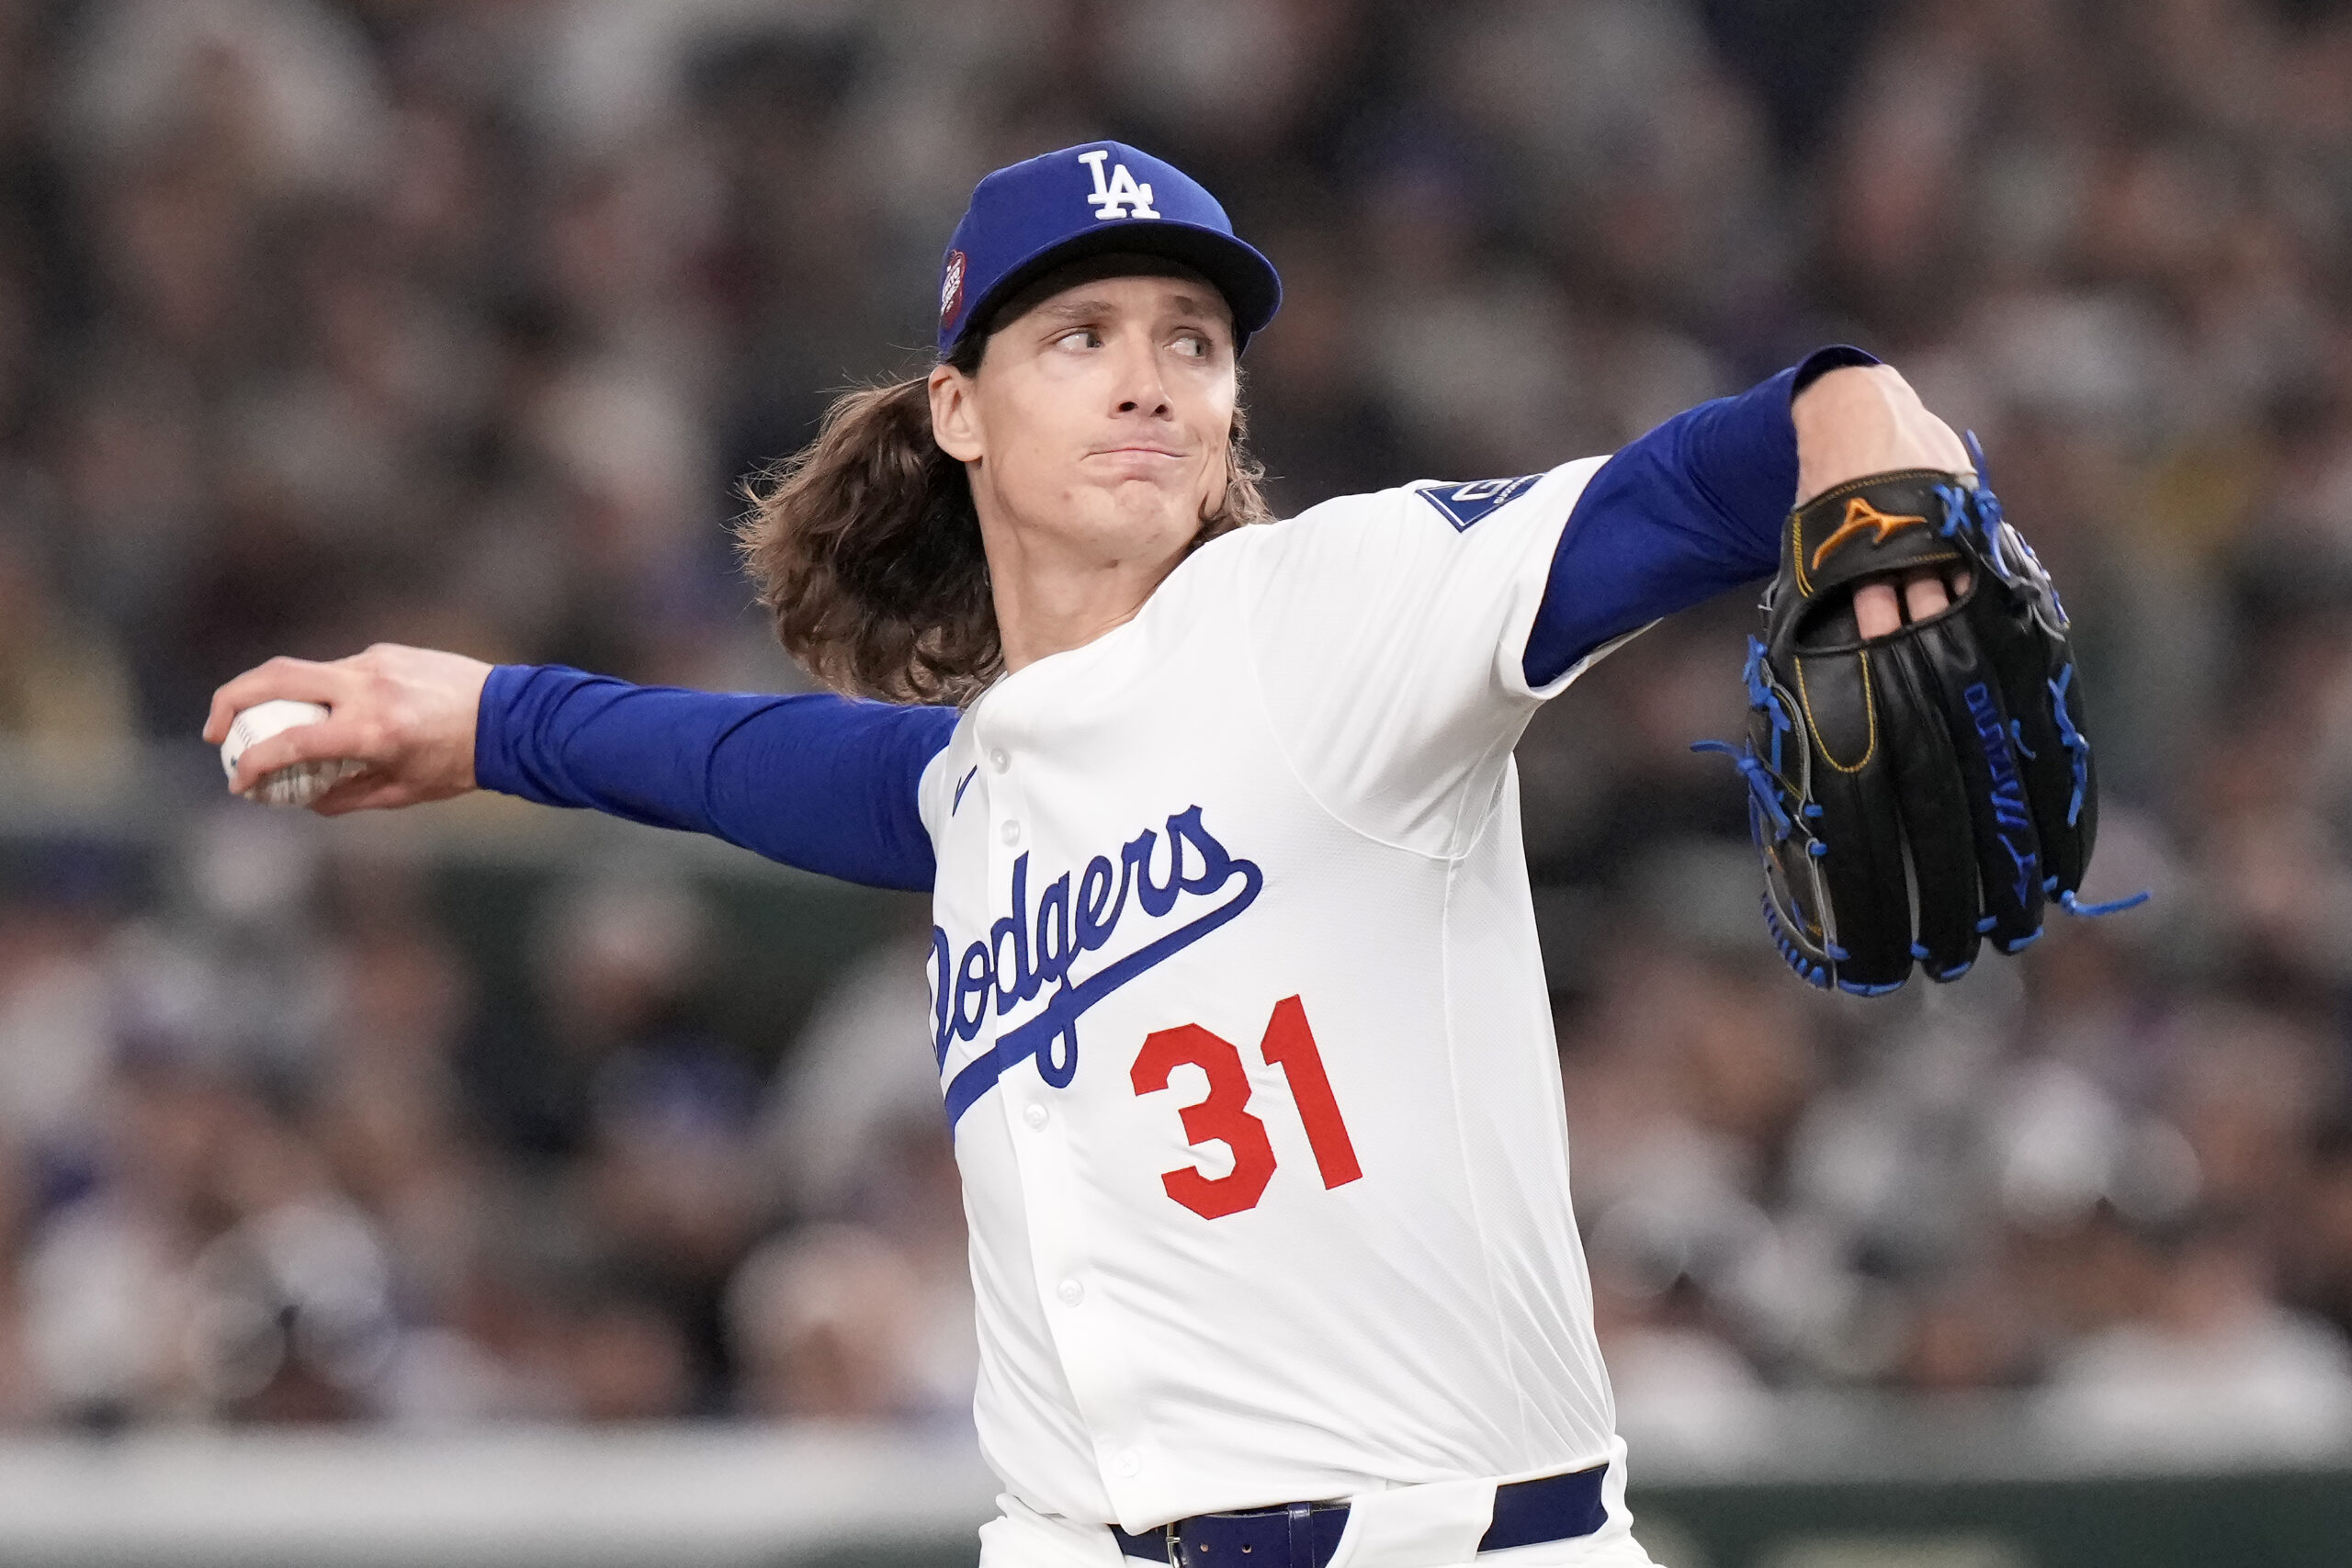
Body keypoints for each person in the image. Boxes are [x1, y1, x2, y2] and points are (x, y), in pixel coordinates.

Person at [207, 142, 1973, 1567]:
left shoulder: (1330, 620)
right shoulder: (979, 790)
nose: (1148, 382)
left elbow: (1735, 465)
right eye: (1082, 337)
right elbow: (747, 762)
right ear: (958, 410)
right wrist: (488, 718)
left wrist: (1873, 450)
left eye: (1191, 342)